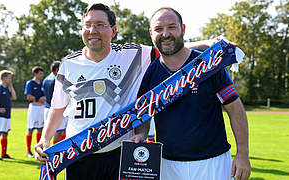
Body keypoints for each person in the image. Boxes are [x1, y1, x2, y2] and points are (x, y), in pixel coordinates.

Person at [34, 3, 214, 180]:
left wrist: (209, 43)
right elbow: (58, 108)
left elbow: (171, 48)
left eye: (99, 25)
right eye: (87, 25)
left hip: (119, 154)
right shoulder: (68, 64)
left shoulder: (133, 55)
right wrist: (45, 139)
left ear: (113, 31)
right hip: (79, 155)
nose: (92, 30)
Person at [132, 8, 251, 180]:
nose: (165, 34)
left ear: (183, 29)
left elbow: (235, 108)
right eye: (158, 29)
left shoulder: (209, 64)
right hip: (167, 164)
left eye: (171, 27)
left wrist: (242, 154)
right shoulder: (151, 73)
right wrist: (142, 133)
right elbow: (144, 113)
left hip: (212, 162)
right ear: (151, 33)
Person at [42, 61, 67, 144]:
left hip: (47, 108)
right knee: (58, 132)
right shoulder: (57, 81)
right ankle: (56, 154)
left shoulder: (45, 80)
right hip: (56, 110)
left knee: (49, 133)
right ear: (57, 70)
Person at [24, 66, 45, 158]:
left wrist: (44, 99)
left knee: (40, 128)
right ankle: (28, 151)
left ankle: (38, 150)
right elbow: (28, 96)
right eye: (40, 73)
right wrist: (38, 99)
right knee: (31, 129)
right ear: (35, 74)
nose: (42, 75)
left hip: (42, 108)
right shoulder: (30, 83)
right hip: (34, 108)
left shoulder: (43, 83)